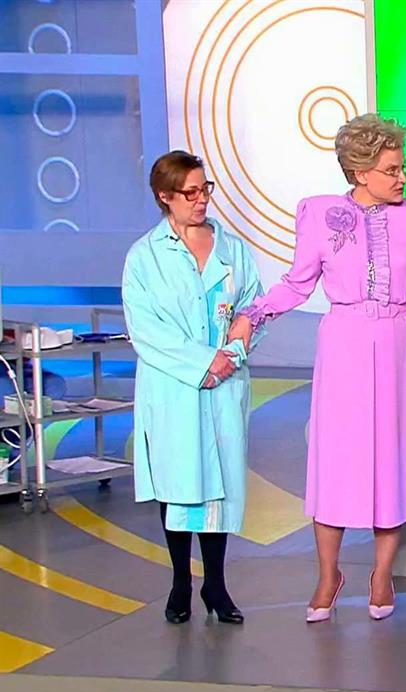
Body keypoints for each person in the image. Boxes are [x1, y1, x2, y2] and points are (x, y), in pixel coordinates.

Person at [228, 113, 406, 622]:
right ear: (360, 171)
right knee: (337, 459)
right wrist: (253, 315)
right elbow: (297, 282)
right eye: (392, 169)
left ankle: (382, 573)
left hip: (399, 343)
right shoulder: (319, 214)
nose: (403, 177)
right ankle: (328, 574)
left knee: (392, 458)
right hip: (344, 342)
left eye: (403, 167)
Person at [122, 150, 263, 624]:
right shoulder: (145, 257)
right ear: (165, 196)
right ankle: (180, 581)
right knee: (179, 480)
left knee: (219, 484)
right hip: (174, 387)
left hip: (225, 384)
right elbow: (147, 330)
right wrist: (205, 362)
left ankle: (216, 585)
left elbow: (253, 310)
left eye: (205, 190)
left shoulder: (232, 250)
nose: (201, 200)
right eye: (191, 193)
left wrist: (232, 356)